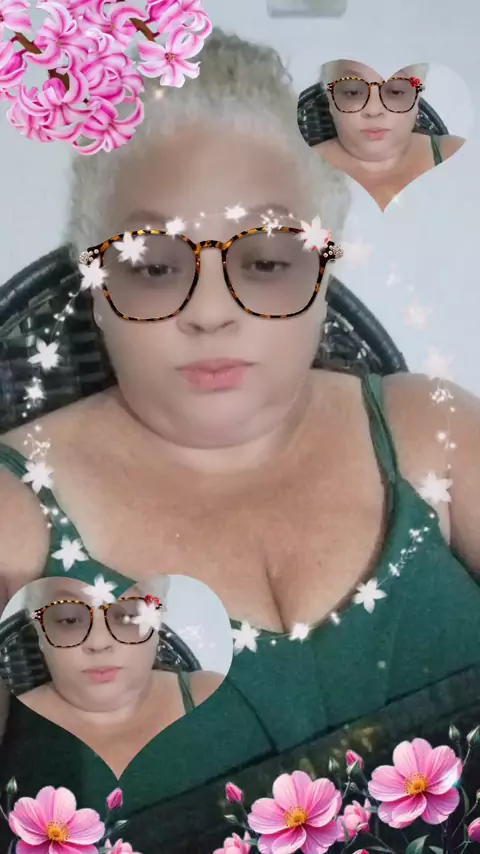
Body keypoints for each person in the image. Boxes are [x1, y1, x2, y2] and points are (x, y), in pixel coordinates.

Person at [0, 27, 479, 854]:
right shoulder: (15, 517)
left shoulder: (435, 434)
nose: (211, 310)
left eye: (265, 258)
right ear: (95, 282)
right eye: (154, 265)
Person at [1, 575, 220, 778]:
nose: (99, 643)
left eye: (126, 616)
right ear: (39, 631)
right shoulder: (9, 725)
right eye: (70, 620)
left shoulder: (209, 694)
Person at [312, 60, 466, 209]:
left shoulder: (456, 154)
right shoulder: (303, 167)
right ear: (330, 99)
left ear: (417, 96)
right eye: (353, 93)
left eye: (395, 92)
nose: (373, 110)